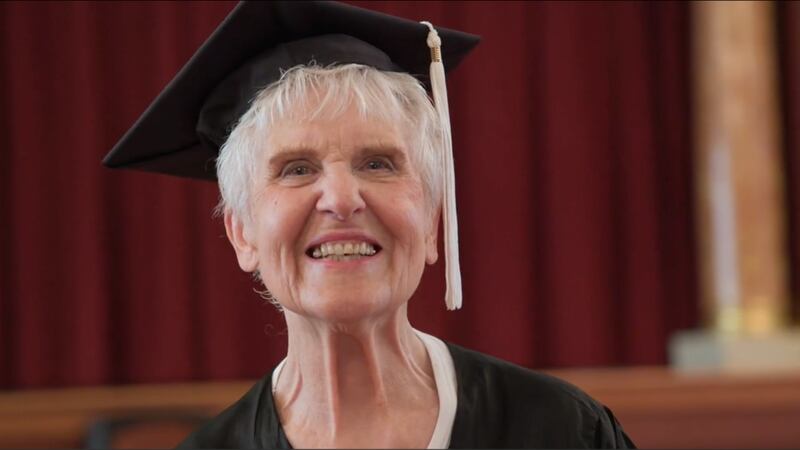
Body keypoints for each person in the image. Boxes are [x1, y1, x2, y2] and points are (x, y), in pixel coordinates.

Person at [105, 1, 635, 448]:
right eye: (297, 169)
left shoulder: (561, 432)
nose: (340, 198)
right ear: (242, 233)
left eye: (377, 163)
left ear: (430, 221)